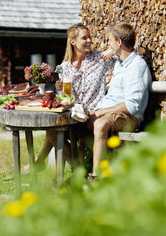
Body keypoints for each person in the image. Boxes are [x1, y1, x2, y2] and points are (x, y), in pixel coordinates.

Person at [23, 23, 115, 173]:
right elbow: (68, 98)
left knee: (53, 132)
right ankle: (78, 170)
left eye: (89, 37)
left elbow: (126, 51)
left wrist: (112, 50)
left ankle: (41, 162)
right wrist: (61, 91)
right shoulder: (64, 67)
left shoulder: (99, 59)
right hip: (74, 115)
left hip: (93, 115)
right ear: (73, 42)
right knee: (52, 130)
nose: (89, 40)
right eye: (84, 38)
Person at [87, 21, 152, 178]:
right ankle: (76, 170)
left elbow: (131, 105)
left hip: (128, 117)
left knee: (101, 124)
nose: (108, 45)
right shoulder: (120, 63)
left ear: (119, 42)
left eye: (110, 41)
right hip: (110, 111)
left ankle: (96, 177)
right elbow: (111, 52)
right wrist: (112, 50)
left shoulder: (137, 66)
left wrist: (102, 112)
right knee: (74, 122)